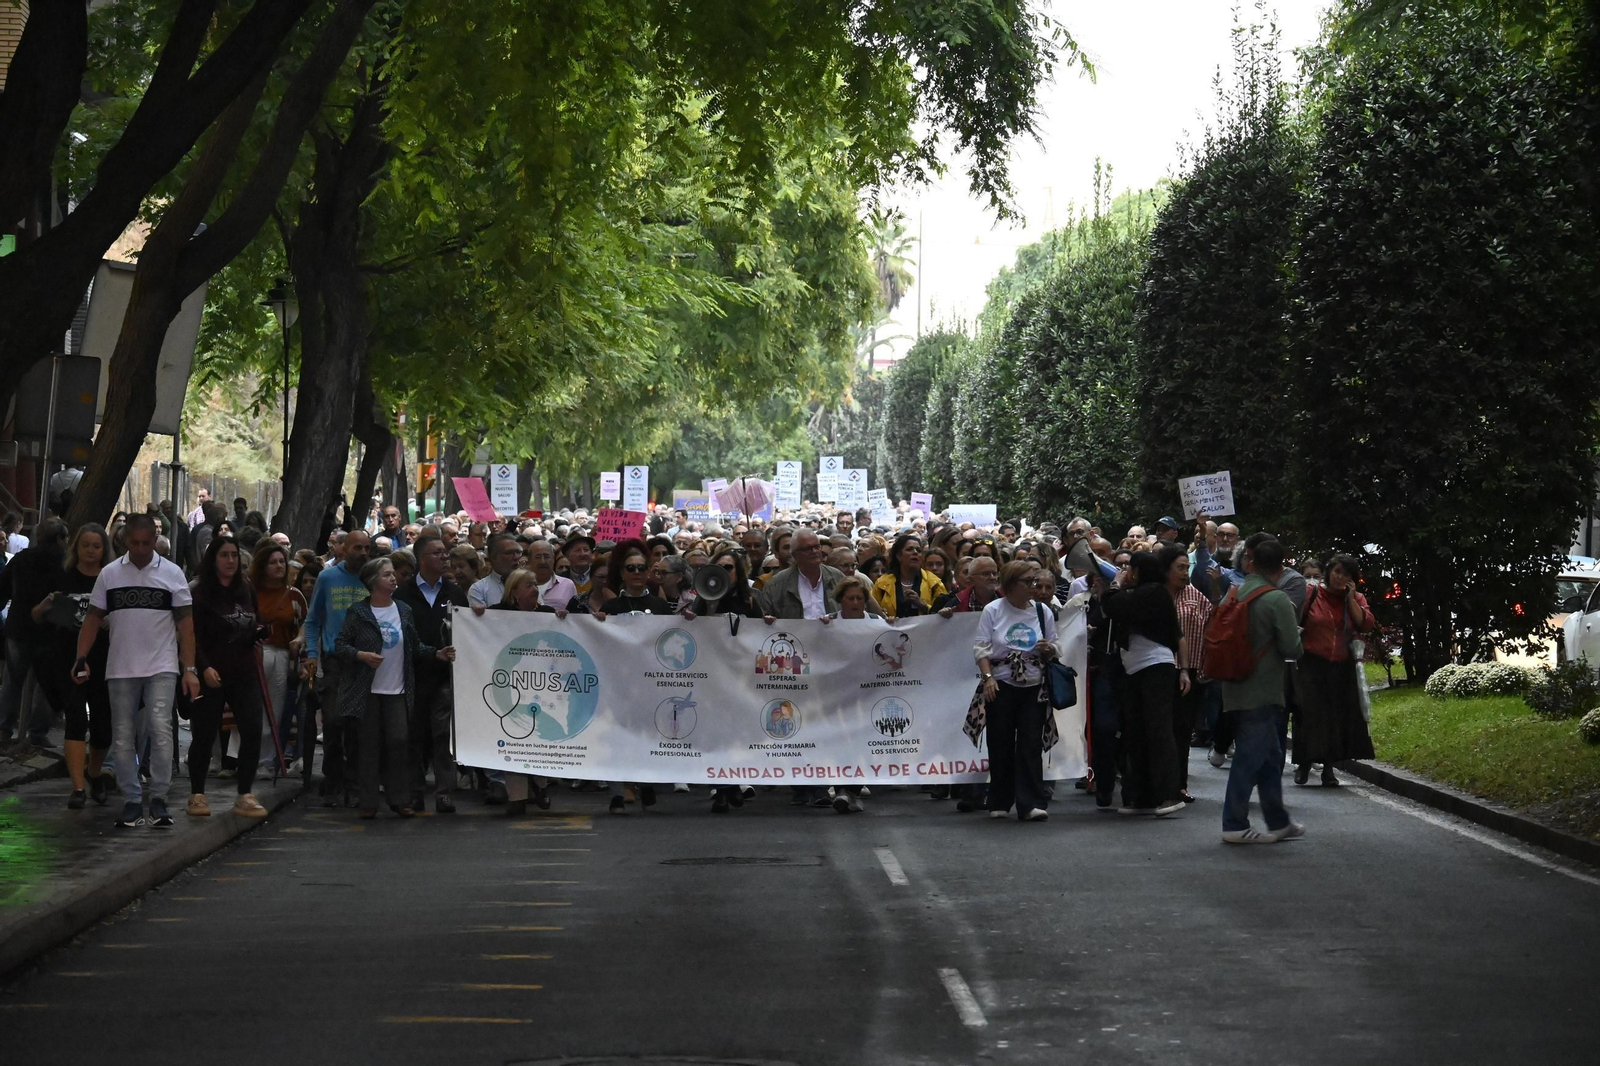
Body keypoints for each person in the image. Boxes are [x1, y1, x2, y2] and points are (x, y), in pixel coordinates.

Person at [75, 515, 201, 828]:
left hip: (161, 666)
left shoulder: (172, 575)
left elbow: (186, 626)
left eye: (147, 543)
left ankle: (158, 795)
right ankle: (132, 799)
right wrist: (81, 657)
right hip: (120, 667)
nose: (142, 549)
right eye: (136, 543)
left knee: (160, 728)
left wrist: (190, 669)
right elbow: (92, 618)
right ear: (124, 541)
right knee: (123, 734)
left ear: (155, 540)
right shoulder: (110, 575)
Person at [332, 558, 453, 818]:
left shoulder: (403, 610)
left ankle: (399, 798)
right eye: (387, 575)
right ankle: (368, 801)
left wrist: (437, 654)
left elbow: (415, 646)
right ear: (373, 581)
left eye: (392, 575)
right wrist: (361, 655)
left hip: (397, 689)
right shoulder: (359, 612)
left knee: (399, 743)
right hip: (368, 690)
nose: (393, 579)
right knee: (369, 745)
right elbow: (340, 645)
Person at [1218, 538, 1305, 843]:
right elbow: (1292, 648)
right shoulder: (1276, 598)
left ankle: (1279, 821)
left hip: (1233, 684)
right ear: (1281, 567)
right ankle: (1234, 823)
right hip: (1264, 688)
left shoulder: (1233, 592)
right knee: (1249, 758)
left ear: (1250, 562)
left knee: (1270, 756)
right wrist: (1296, 634)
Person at [184, 533, 270, 818]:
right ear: (213, 559)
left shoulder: (245, 588)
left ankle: (245, 792)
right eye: (224, 555)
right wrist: (202, 667)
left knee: (252, 730)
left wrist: (258, 632)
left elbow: (253, 618)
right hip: (211, 671)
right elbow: (190, 635)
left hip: (244, 669)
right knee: (205, 734)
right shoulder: (198, 591)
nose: (231, 561)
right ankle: (197, 793)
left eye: (235, 555)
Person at [972, 560, 1061, 822]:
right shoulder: (993, 610)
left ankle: (1031, 802)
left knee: (1030, 743)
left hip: (1033, 685)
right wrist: (988, 678)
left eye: (1035, 581)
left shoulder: (1043, 611)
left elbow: (1056, 645)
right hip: (1001, 684)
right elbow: (981, 648)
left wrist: (1049, 649)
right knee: (1000, 742)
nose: (1034, 587)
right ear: (1011, 585)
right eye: (1028, 582)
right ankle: (999, 799)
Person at [1102, 548, 1187, 818]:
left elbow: (1115, 605)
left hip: (1155, 667)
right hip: (1136, 669)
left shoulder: (1154, 592)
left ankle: (1169, 794)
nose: (1126, 573)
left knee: (1158, 731)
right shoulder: (1146, 593)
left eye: (1130, 569)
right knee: (1136, 733)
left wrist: (1114, 585)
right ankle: (1141, 797)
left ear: (1138, 571)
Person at [591, 539, 672, 815]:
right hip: (618, 683)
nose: (637, 572)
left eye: (641, 568)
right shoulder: (611, 606)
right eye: (631, 568)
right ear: (622, 573)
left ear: (649, 571)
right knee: (616, 737)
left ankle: (646, 782)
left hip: (650, 683)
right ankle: (616, 794)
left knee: (646, 735)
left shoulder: (661, 607)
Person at [37, 523, 113, 807]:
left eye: (96, 546)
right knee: (76, 718)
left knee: (104, 725)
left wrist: (112, 620)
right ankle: (77, 789)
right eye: (85, 545)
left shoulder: (111, 579)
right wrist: (46, 606)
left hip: (104, 658)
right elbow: (38, 615)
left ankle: (93, 773)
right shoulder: (62, 576)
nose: (91, 551)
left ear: (104, 549)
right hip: (67, 657)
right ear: (76, 547)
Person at [394, 529, 469, 813]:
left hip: (445, 676)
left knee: (442, 736)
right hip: (411, 675)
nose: (444, 556)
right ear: (421, 559)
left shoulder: (454, 592)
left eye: (444, 552)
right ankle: (414, 792)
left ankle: (444, 792)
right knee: (414, 736)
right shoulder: (403, 593)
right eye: (437, 553)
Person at [302, 529, 374, 806]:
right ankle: (332, 782)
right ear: (343, 549)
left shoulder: (372, 578)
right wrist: (312, 653)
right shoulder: (328, 578)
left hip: (365, 661)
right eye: (358, 548)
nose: (363, 554)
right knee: (332, 722)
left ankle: (354, 784)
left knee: (358, 726)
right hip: (335, 661)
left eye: (367, 548)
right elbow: (312, 620)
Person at [1292, 553, 1375, 787]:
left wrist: (1350, 598)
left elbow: (1365, 624)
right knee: (1309, 715)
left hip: (1341, 665)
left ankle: (1329, 768)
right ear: (1328, 571)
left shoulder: (1356, 598)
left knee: (1335, 717)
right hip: (1310, 663)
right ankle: (1304, 763)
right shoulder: (1313, 593)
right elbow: (1296, 619)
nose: (1340, 578)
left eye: (1346, 574)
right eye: (1337, 572)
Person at [487, 569, 561, 815]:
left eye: (535, 584)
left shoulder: (548, 614)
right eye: (528, 584)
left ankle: (540, 785)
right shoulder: (497, 613)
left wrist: (566, 619)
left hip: (541, 686)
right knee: (513, 737)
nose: (534, 588)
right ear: (514, 591)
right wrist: (475, 616)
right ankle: (517, 797)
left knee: (539, 735)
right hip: (509, 684)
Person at [0, 518, 69, 751]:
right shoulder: (63, 564)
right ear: (60, 539)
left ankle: (3, 729)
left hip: (18, 627)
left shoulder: (21, 559)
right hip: (48, 633)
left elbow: (3, 589)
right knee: (45, 685)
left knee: (12, 682)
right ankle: (37, 733)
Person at [250, 541, 305, 780]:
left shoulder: (294, 595)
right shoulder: (250, 592)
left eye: (282, 561)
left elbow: (306, 622)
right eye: (273, 562)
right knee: (254, 709)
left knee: (276, 709)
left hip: (282, 655)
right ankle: (250, 758)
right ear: (262, 566)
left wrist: (300, 640)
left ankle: (267, 761)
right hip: (255, 653)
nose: (279, 566)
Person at [1165, 546, 1212, 803]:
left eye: (1187, 567)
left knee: (1182, 730)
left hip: (1190, 669)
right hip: (1160, 669)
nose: (1185, 572)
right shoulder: (1156, 595)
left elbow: (1210, 629)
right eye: (1179, 567)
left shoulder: (1196, 597)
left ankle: (1179, 785)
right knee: (1161, 728)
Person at [759, 530, 843, 621]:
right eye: (807, 549)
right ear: (795, 554)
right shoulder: (776, 585)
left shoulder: (837, 578)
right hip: (793, 634)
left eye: (817, 547)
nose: (814, 551)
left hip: (831, 634)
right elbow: (765, 619)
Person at [871, 533, 948, 620]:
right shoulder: (882, 583)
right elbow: (872, 614)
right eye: (909, 549)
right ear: (899, 556)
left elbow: (944, 614)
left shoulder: (934, 583)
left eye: (918, 550)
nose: (915, 552)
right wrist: (885, 617)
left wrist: (922, 605)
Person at [469, 533, 521, 608]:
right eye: (509, 553)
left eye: (518, 552)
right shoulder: (479, 589)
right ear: (493, 557)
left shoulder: (531, 584)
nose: (516, 557)